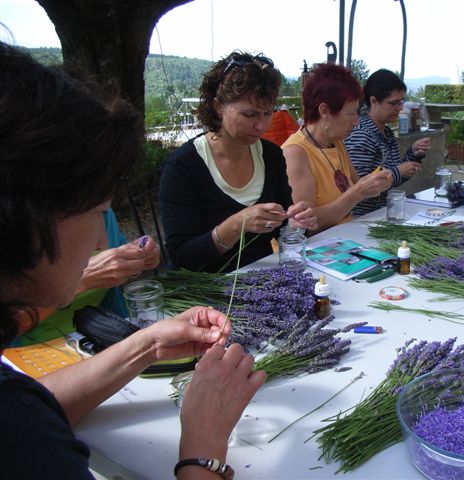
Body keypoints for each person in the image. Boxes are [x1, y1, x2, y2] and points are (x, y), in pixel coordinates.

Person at [0, 42, 265, 479]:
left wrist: (148, 345)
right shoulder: (23, 444)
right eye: (95, 212)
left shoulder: (17, 411)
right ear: (26, 219)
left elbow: (31, 399)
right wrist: (203, 447)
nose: (102, 237)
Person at [159, 51, 317, 273]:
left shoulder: (271, 155)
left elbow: (281, 225)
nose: (261, 126)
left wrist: (295, 224)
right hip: (204, 290)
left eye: (267, 113)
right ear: (218, 106)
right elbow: (182, 256)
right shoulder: (182, 166)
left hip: (261, 280)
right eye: (249, 114)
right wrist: (236, 224)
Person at [17, 209, 161, 346]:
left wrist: (139, 259)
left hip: (100, 339)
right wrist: (81, 281)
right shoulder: (16, 225)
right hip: (34, 355)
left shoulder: (102, 210)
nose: (99, 243)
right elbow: (12, 323)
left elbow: (115, 267)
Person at [282, 63, 392, 231]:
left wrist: (375, 183)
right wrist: (358, 193)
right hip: (316, 249)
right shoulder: (296, 153)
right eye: (350, 113)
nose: (356, 121)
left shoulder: (336, 141)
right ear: (324, 111)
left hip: (343, 237)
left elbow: (357, 184)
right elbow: (306, 225)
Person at [344, 69, 430, 216]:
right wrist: (398, 171)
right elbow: (359, 188)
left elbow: (392, 178)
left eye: (401, 101)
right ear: (373, 101)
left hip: (381, 215)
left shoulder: (386, 132)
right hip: (361, 219)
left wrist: (413, 155)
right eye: (394, 103)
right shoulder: (361, 134)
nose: (400, 107)